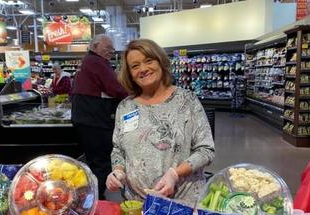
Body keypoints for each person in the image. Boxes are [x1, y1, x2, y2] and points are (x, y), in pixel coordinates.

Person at [106, 38, 214, 205]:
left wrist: (175, 174)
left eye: (149, 61)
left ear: (161, 62)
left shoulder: (187, 101)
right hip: (137, 205)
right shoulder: (125, 107)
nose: (143, 69)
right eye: (135, 66)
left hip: (182, 204)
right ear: (130, 74)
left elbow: (206, 150)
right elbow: (118, 150)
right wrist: (117, 172)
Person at [71, 34, 129, 198]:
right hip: (95, 120)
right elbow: (114, 88)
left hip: (85, 118)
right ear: (95, 47)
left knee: (94, 160)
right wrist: (132, 96)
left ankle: (92, 195)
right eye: (107, 48)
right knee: (102, 162)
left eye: (112, 48)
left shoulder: (88, 61)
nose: (111, 51)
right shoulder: (97, 62)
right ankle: (95, 199)